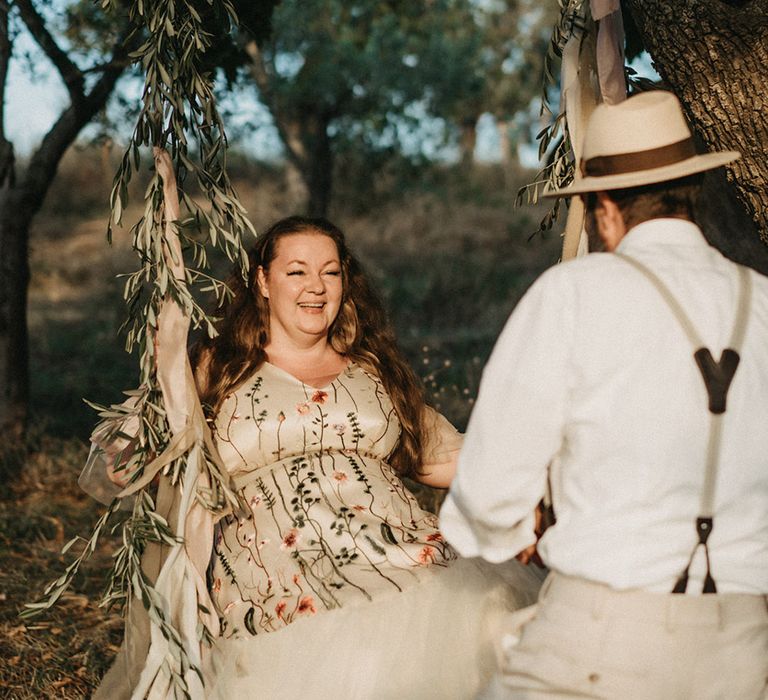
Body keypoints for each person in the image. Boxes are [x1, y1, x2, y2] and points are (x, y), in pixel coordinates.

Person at [93, 150, 543, 699]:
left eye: (331, 272)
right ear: (262, 281)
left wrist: (539, 476)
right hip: (279, 573)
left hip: (395, 550)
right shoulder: (215, 367)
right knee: (349, 659)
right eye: (297, 271)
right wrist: (128, 458)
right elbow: (136, 442)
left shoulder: (372, 371)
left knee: (480, 625)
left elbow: (444, 457)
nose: (316, 286)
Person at [439, 90, 768, 699]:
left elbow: (487, 492)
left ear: (606, 209)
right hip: (743, 645)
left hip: (604, 634)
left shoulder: (575, 294)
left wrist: (514, 536)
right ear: (687, 194)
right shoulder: (763, 302)